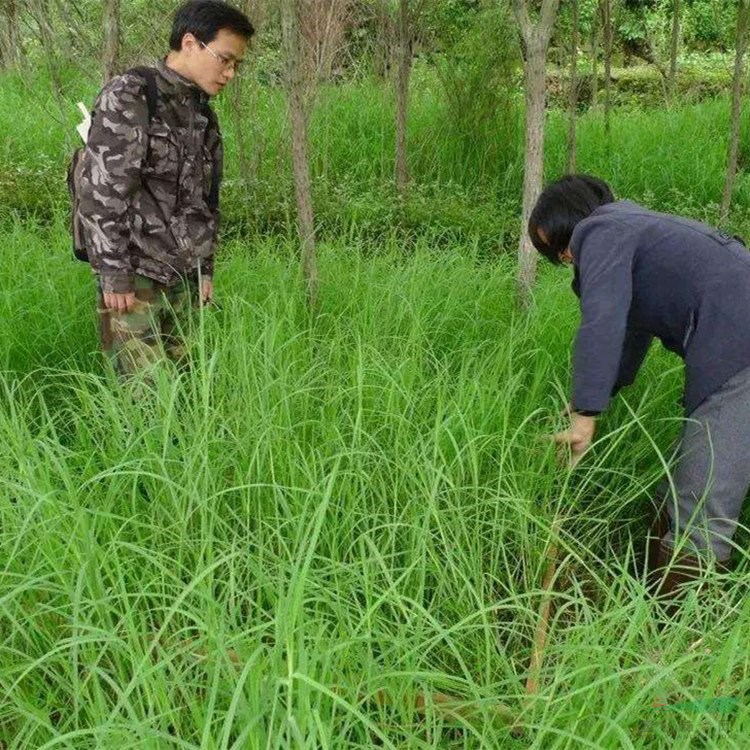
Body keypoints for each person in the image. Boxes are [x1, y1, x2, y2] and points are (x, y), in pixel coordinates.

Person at [528, 174, 750, 604]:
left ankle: (680, 645)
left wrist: (584, 417)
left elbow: (603, 320)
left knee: (700, 504)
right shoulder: (635, 229)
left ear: (573, 223)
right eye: (558, 255)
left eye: (559, 245)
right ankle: (649, 602)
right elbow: (628, 332)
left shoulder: (601, 229)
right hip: (733, 347)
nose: (567, 256)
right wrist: (589, 399)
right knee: (677, 484)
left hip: (740, 353)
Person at [78, 0, 254, 377]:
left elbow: (206, 202)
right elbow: (103, 194)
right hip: (136, 279)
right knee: (144, 403)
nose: (230, 73)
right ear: (189, 42)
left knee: (187, 395)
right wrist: (114, 275)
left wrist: (205, 271)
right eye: (224, 59)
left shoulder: (203, 114)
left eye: (236, 64)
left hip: (185, 280)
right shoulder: (132, 94)